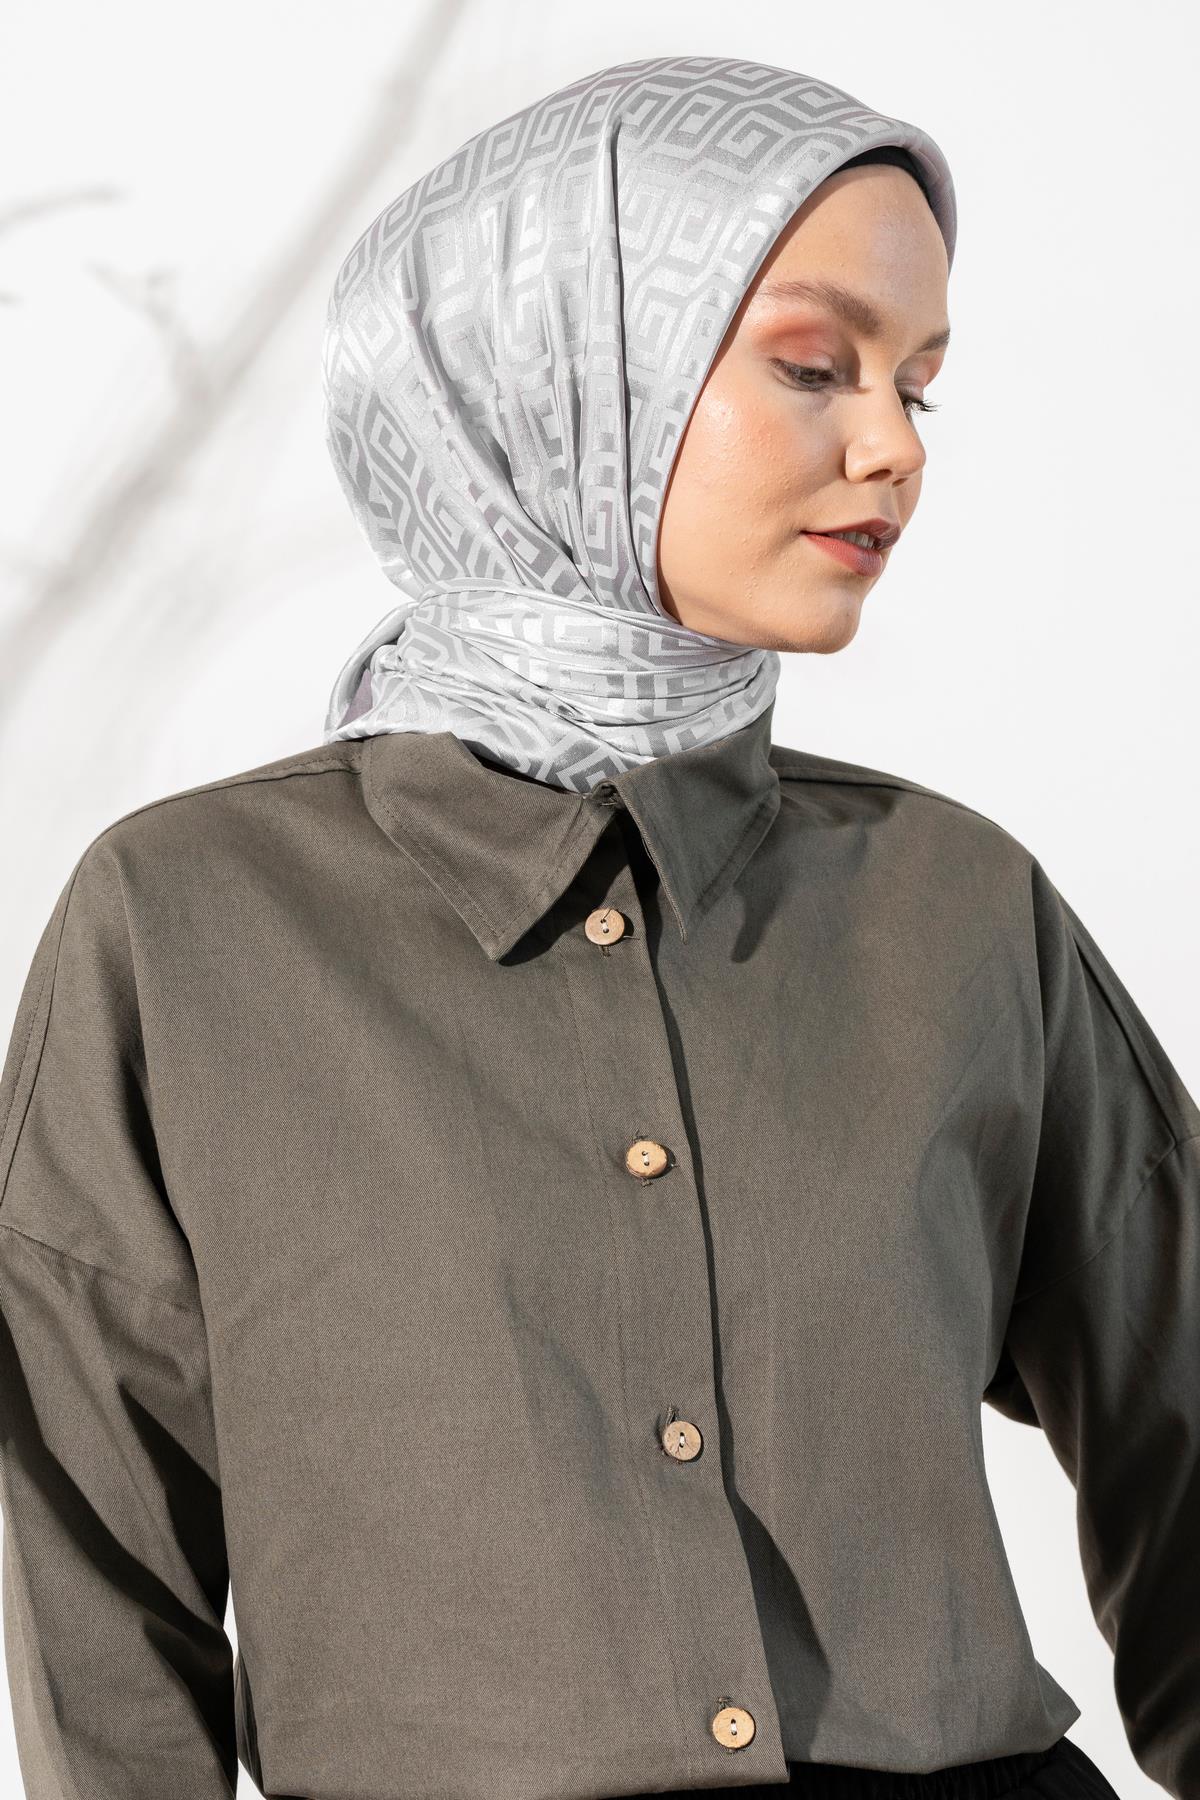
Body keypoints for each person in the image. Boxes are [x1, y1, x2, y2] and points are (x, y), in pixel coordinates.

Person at [0, 51, 1194, 1800]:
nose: (890, 448)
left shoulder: (958, 904)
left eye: (920, 388)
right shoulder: (184, 927)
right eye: (814, 363)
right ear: (549, 372)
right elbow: (97, 1603)